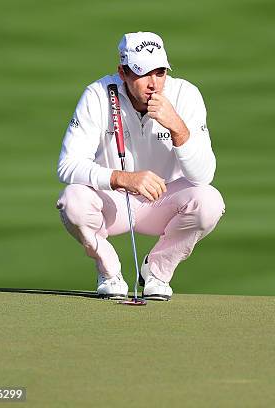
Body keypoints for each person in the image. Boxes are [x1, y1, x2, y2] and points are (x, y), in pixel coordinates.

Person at [56, 32, 225, 300]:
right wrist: (123, 178)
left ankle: (157, 272)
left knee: (210, 202)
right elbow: (67, 166)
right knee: (72, 200)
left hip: (164, 200)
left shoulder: (186, 95)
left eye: (160, 73)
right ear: (122, 72)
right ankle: (109, 271)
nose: (153, 84)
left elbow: (203, 176)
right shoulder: (98, 95)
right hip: (112, 202)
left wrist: (177, 127)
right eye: (142, 73)